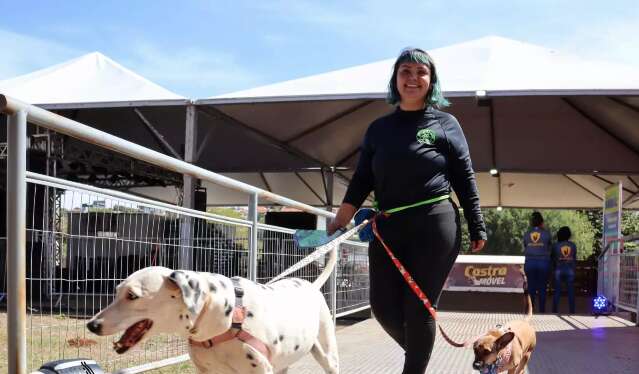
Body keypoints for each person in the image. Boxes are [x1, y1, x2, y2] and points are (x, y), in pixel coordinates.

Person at [327, 47, 487, 374]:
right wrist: (340, 220)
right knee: (383, 308)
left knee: (419, 309)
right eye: (405, 72)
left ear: (432, 80)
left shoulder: (446, 124)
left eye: (420, 72)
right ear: (395, 79)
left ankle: (414, 367)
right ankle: (419, 355)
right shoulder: (378, 130)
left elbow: (465, 179)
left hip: (435, 225)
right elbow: (361, 180)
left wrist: (477, 225)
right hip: (388, 227)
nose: (413, 78)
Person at [523, 211, 552, 313]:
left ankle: (530, 311)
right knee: (542, 287)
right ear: (542, 222)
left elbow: (526, 246)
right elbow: (549, 248)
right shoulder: (547, 234)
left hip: (530, 262)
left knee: (531, 287)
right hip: (543, 263)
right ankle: (542, 311)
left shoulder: (526, 234)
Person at [552, 226, 577, 313]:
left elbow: (553, 258)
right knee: (571, 291)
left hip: (558, 270)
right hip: (570, 270)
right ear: (568, 235)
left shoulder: (555, 245)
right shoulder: (573, 245)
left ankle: (554, 310)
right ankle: (572, 311)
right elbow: (574, 258)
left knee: (557, 290)